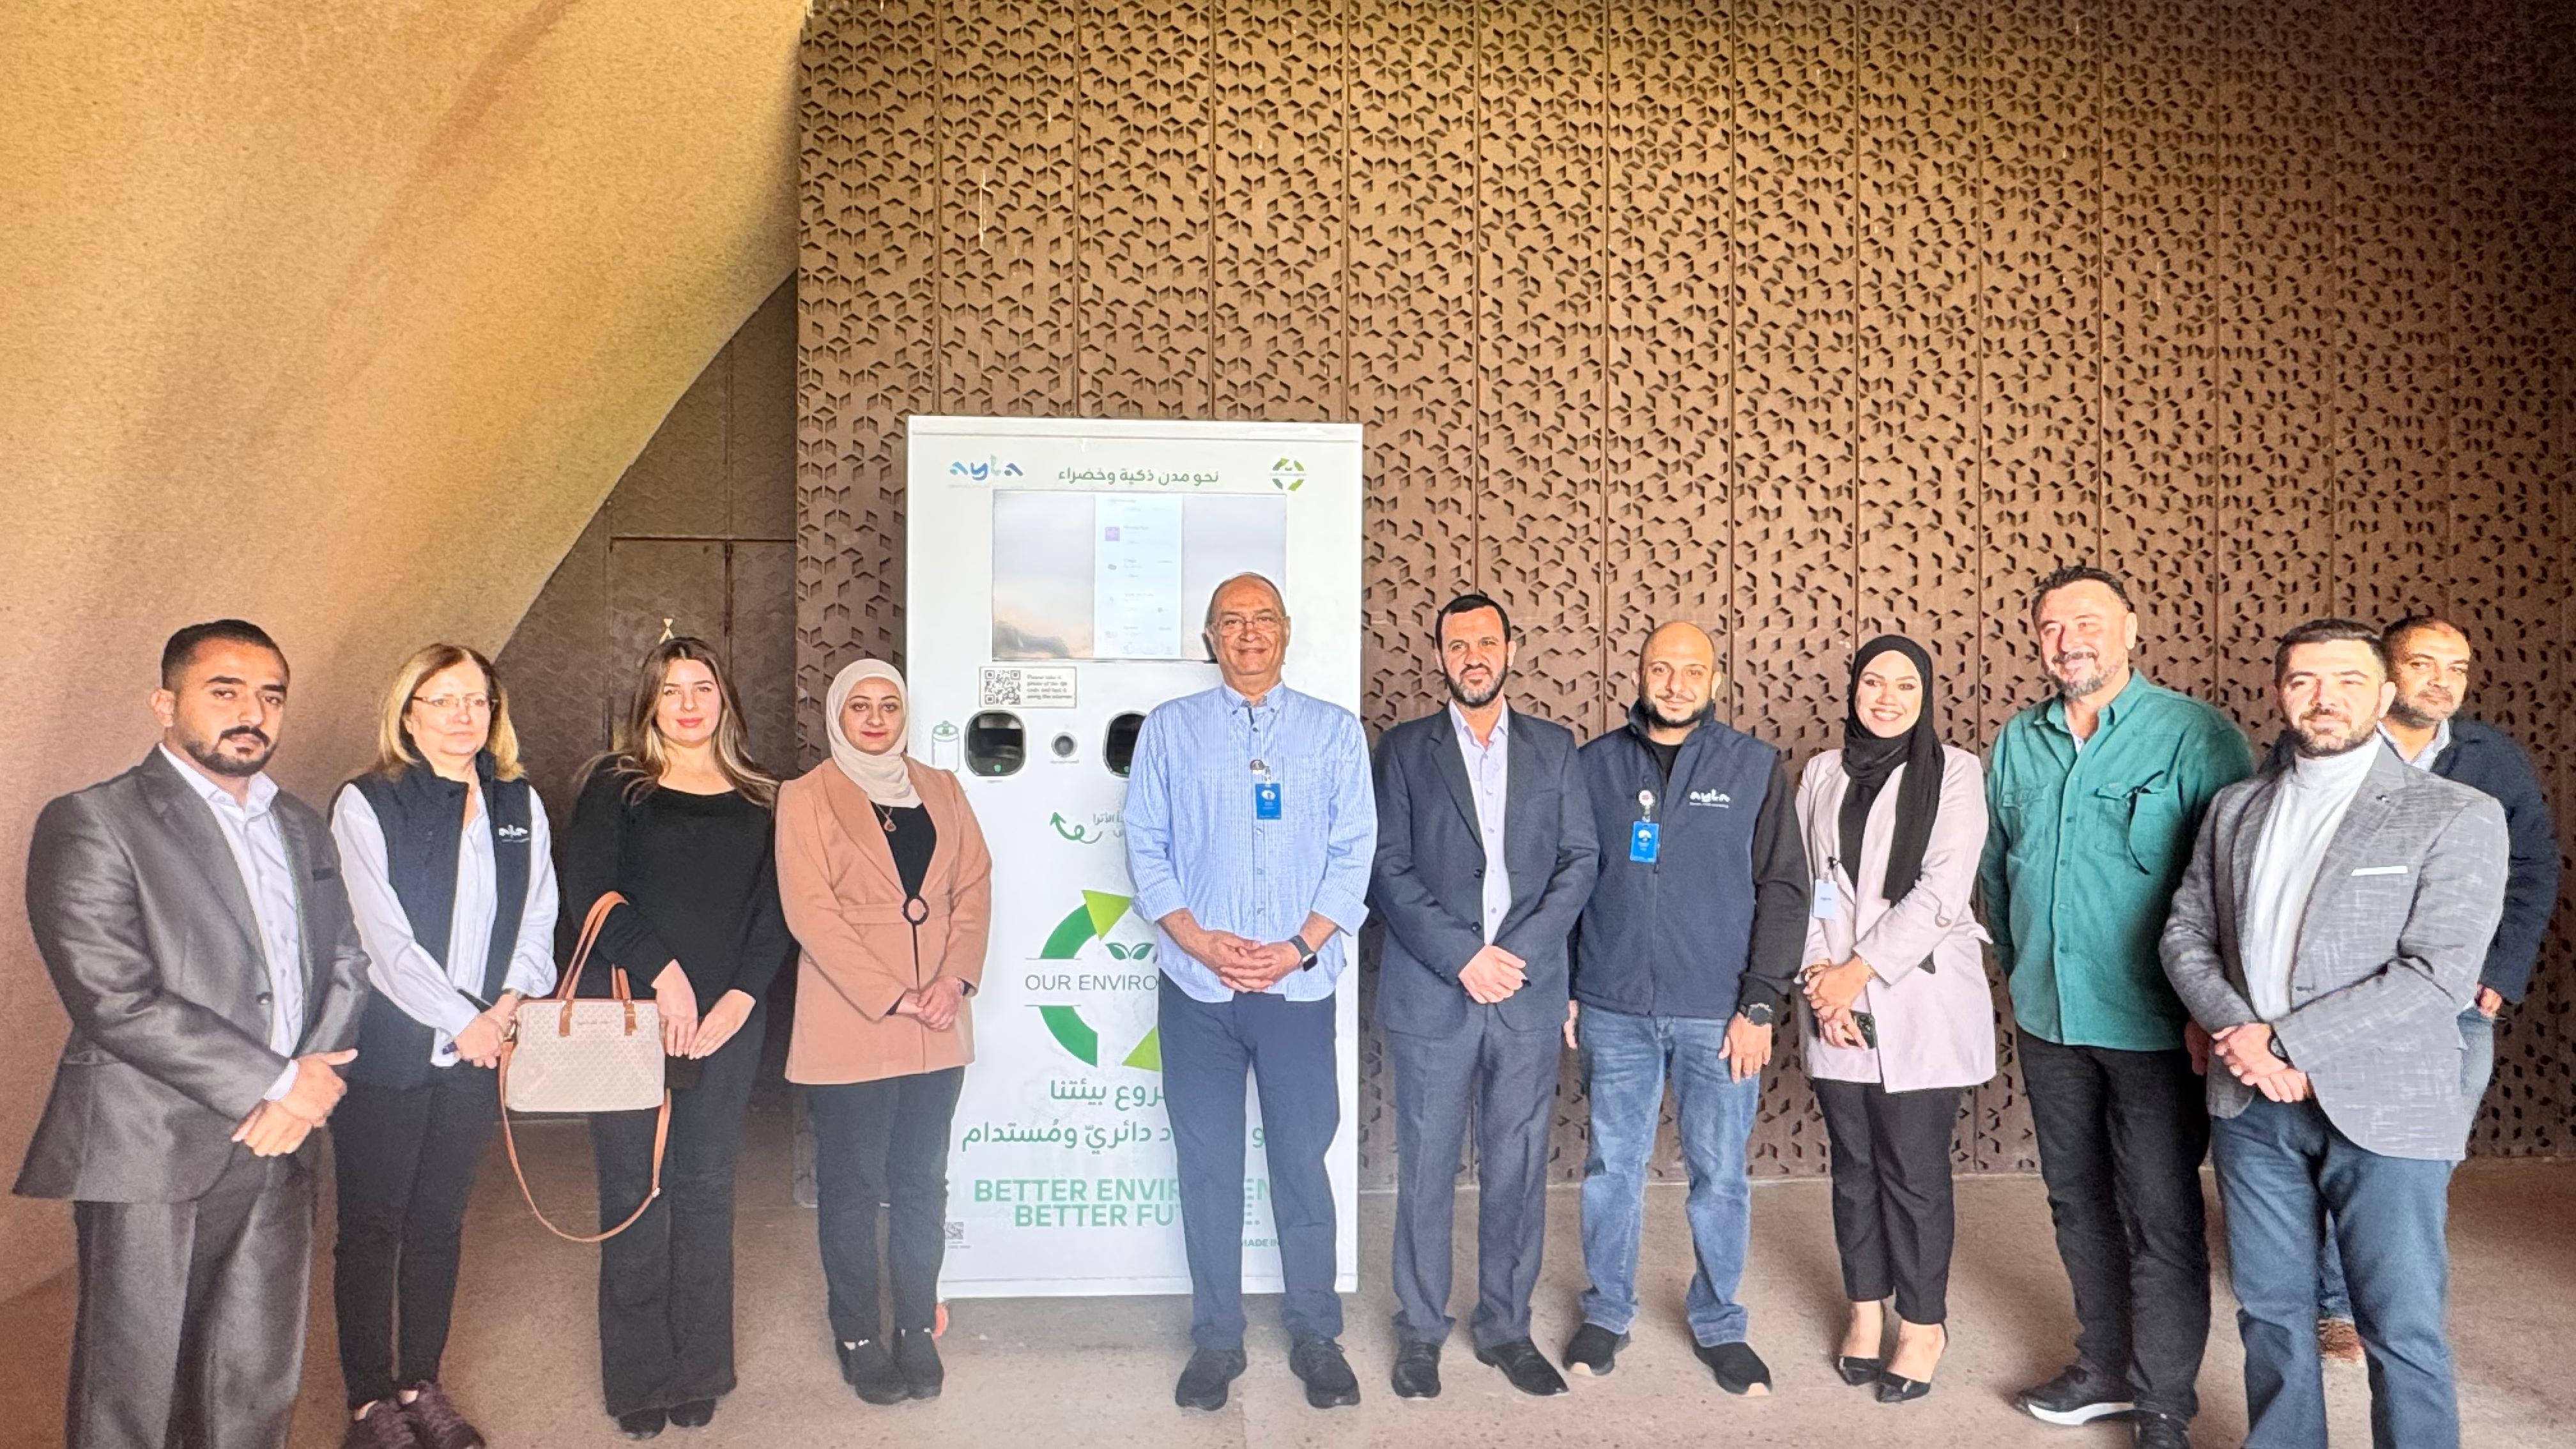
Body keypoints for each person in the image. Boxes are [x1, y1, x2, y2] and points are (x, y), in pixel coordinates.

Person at [16, 619, 369, 1449]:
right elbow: (114, 997)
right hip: (152, 1145)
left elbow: (347, 961)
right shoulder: (95, 820)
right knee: (133, 1387)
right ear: (165, 705)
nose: (253, 713)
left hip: (282, 1144)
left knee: (255, 1374)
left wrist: (306, 1091)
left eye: (271, 696)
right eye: (225, 691)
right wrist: (279, 1083)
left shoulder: (300, 824)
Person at [2163, 618, 2508, 1449]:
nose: (2326, 698)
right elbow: (2185, 932)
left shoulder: (2455, 813)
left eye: (2349, 681)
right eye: (2305, 681)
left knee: (2401, 1324)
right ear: (2279, 694)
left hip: (2389, 1107)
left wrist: (2287, 1045)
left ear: (2384, 695)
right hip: (2254, 1107)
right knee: (2272, 1313)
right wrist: (2240, 1032)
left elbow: (2437, 974)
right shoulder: (2236, 808)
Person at [1977, 564, 2254, 1449]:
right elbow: (1998, 877)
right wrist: (2023, 974)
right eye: (2052, 627)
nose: (2070, 641)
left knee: (2161, 1214)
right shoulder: (2018, 741)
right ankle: (2102, 1367)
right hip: (2050, 1019)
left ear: (2132, 628)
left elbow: (2231, 886)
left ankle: (2164, 1400)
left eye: (2088, 621)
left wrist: (2211, 1007)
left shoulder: (2197, 735)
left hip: (2160, 1027)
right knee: (2076, 1200)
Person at [2261, 616, 2561, 1364]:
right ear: (2386, 676)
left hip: (2450, 996)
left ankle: (2388, 1298)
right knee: (2337, 1141)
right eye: (2424, 664)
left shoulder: (2492, 759)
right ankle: (2336, 1305)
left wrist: (2499, 972)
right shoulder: (2317, 745)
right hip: (2336, 995)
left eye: (2457, 667)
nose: (2442, 681)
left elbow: (2533, 868)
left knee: (2422, 1153)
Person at [1123, 572, 1376, 1413]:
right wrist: (1198, 940)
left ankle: (1316, 1333)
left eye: (1263, 618)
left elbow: (1355, 851)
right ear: (1210, 637)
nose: (1249, 633)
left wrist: (1299, 948)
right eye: (1231, 621)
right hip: (1198, 990)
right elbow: (1145, 843)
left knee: (1301, 1164)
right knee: (1208, 1169)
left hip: (1297, 990)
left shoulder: (1333, 733)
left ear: (1287, 630)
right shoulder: (1171, 730)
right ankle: (1216, 1340)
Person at [1561, 621, 1807, 1397]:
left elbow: (1785, 890)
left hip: (1719, 1012)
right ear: (1638, 674)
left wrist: (1760, 1004)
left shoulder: (1754, 766)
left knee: (1720, 1175)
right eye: (1661, 669)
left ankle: (1721, 1322)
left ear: (1716, 681)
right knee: (1612, 1168)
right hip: (1614, 1007)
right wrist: (1569, 986)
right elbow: (1567, 883)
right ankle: (1607, 1312)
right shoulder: (1593, 766)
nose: (1675, 684)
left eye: (1691, 670)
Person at [560, 636, 795, 1439]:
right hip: (633, 1011)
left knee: (705, 1189)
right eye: (671, 690)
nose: (688, 704)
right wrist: (663, 974)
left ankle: (699, 1369)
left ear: (725, 699)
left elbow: (775, 912)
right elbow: (589, 889)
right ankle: (638, 1378)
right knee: (634, 1192)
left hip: (726, 1022)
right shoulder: (618, 786)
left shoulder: (765, 797)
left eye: (702, 687)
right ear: (649, 705)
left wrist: (741, 997)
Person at [328, 644, 560, 1449]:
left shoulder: (518, 801)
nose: (464, 716)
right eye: (443, 700)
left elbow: (538, 915)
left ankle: (420, 1384)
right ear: (408, 713)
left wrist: (506, 1006)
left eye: (478, 701)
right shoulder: (368, 801)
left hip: (481, 1046)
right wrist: (462, 1021)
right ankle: (369, 1403)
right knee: (372, 1226)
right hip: (390, 1048)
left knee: (438, 1222)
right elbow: (379, 937)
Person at [1369, 593, 1598, 1400]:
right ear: (1439, 657)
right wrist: (1465, 958)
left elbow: (1579, 860)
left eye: (1487, 641)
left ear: (1511, 650)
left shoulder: (1554, 748)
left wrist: (1517, 957)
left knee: (1517, 1167)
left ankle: (1505, 1327)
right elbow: (1387, 866)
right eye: (1458, 644)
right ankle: (1420, 1329)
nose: (1474, 656)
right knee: (1425, 1166)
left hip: (1525, 994)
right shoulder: (1403, 750)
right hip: (1435, 991)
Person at [776, 659, 992, 1407]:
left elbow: (974, 889)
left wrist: (955, 980)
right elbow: (811, 913)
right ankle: (858, 1335)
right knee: (852, 1186)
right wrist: (895, 995)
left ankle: (914, 1328)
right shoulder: (805, 797)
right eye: (860, 706)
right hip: (852, 1020)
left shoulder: (943, 788)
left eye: (889, 705)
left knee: (921, 1181)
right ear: (837, 716)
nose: (875, 719)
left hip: (939, 1020)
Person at [1793, 635, 1995, 1406]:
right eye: (1873, 682)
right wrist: (1821, 980)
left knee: (1913, 1171)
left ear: (1926, 695)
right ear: (1853, 691)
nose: (1886, 698)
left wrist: (1856, 975)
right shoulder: (1822, 772)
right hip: (1834, 1004)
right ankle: (1866, 1309)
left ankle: (1922, 1324)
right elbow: (1807, 886)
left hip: (1919, 998)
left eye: (1905, 685)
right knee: (1853, 1169)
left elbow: (1942, 892)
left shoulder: (1956, 773)